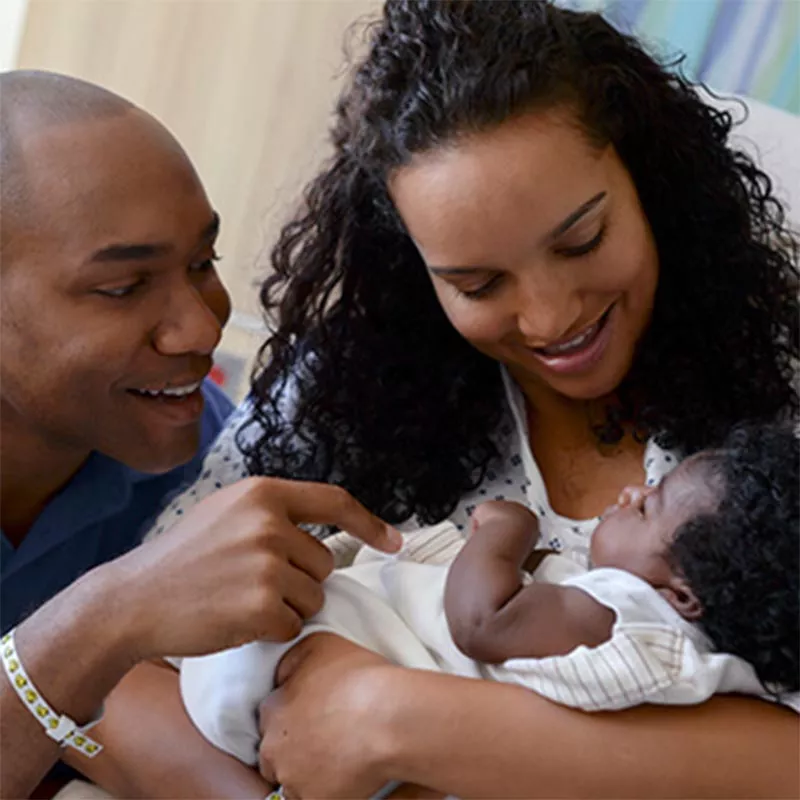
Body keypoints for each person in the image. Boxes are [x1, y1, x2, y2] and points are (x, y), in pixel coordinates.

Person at [65, 1, 800, 798]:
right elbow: (116, 674)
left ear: (649, 179)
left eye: (582, 240)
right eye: (478, 283)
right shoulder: (343, 397)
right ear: (412, 269)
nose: (552, 316)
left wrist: (400, 720)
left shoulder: (779, 388)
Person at [0, 70, 401, 800]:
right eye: (123, 288)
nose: (202, 326)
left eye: (201, 263)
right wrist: (106, 616)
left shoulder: (217, 466)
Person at [178, 423, 799, 767]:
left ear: (685, 595)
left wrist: (507, 532)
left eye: (649, 509)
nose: (633, 494)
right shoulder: (699, 659)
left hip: (279, 676)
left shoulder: (628, 615)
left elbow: (483, 622)